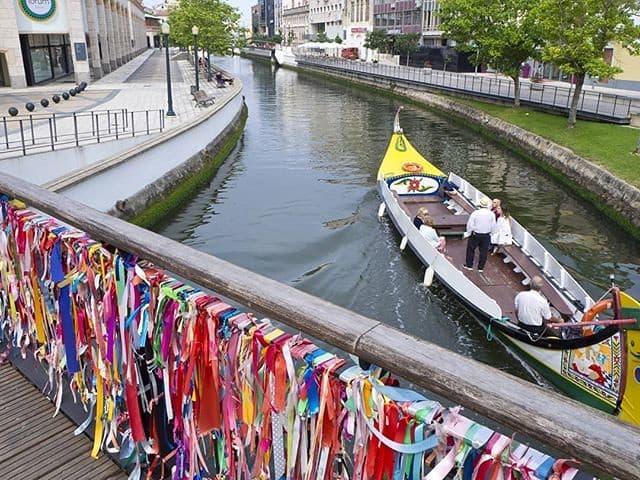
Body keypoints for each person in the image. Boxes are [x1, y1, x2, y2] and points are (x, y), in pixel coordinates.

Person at [463, 197, 496, 272]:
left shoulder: (475, 213)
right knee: (483, 252)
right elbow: (493, 225)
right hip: (486, 235)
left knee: (471, 250)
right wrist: (492, 233)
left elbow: (470, 225)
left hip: (476, 234)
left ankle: (469, 265)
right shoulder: (491, 214)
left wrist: (468, 233)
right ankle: (480, 268)